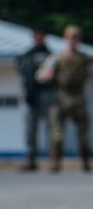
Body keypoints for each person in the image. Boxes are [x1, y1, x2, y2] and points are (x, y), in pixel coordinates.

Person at [36, 25, 93, 172]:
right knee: (57, 134)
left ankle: (86, 163)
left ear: (79, 40)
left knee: (83, 134)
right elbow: (41, 74)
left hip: (78, 98)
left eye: (76, 37)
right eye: (71, 37)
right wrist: (45, 76)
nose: (73, 40)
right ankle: (55, 164)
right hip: (61, 97)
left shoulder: (83, 57)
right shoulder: (57, 57)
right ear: (65, 39)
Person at [15, 27, 55, 172]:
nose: (39, 38)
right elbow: (22, 76)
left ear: (44, 37)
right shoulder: (26, 56)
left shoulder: (51, 56)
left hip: (47, 96)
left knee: (51, 129)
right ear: (33, 37)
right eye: (36, 36)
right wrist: (24, 92)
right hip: (31, 97)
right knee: (30, 130)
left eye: (41, 35)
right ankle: (31, 161)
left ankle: (53, 161)